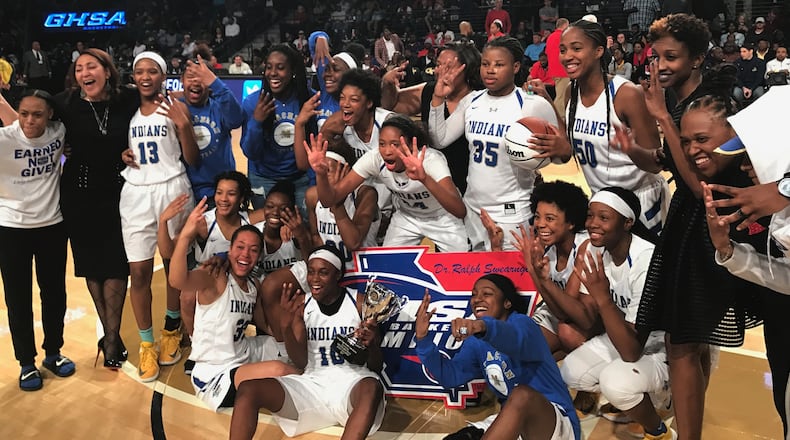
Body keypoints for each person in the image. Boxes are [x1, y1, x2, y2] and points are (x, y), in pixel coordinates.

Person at [638, 17, 780, 433]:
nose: (661, 65)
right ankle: (690, 424)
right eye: (656, 57)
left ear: (697, 58)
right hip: (691, 224)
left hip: (708, 227)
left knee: (681, 341)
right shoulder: (681, 101)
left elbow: (699, 184)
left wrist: (663, 119)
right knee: (689, 340)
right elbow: (668, 162)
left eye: (671, 56)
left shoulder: (711, 104)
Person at [228, 245, 386, 440]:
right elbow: (301, 362)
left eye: (323, 272)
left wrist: (373, 345)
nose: (314, 279)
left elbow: (376, 366)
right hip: (312, 384)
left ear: (337, 275)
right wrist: (286, 327)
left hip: (351, 384)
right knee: (248, 389)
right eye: (311, 272)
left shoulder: (360, 303)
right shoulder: (302, 305)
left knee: (372, 386)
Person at [559, 187, 675, 440]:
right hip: (628, 334)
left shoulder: (645, 260)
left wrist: (602, 298)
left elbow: (631, 352)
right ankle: (637, 393)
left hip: (665, 345)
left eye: (603, 217)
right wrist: (542, 279)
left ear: (627, 222)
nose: (592, 224)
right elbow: (586, 318)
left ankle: (659, 424)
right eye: (590, 216)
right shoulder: (595, 250)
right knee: (571, 371)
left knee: (615, 383)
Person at [427, 36, 563, 251]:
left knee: (511, 272)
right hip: (473, 209)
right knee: (473, 272)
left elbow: (561, 155)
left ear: (515, 67)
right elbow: (439, 139)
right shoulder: (472, 100)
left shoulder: (531, 104)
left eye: (499, 65)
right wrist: (437, 99)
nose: (490, 70)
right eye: (485, 64)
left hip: (511, 212)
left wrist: (559, 150)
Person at [54, 48, 141, 370]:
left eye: (91, 66)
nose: (84, 73)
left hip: (119, 195)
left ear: (107, 70)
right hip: (78, 195)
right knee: (92, 267)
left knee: (117, 265)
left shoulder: (128, 99)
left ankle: (111, 337)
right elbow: (30, 118)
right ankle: (111, 337)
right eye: (79, 69)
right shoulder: (65, 103)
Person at [169, 199, 299, 411]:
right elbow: (177, 281)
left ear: (259, 256)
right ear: (229, 251)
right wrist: (185, 236)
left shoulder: (253, 285)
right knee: (280, 370)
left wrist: (288, 324)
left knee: (291, 346)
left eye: (253, 250)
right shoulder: (215, 277)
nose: (245, 254)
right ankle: (317, 389)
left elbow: (265, 326)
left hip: (242, 352)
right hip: (214, 372)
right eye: (240, 247)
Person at [415, 274, 580, 440]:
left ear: (507, 302)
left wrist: (482, 326)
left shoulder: (524, 324)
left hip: (554, 421)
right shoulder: (476, 342)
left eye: (487, 294)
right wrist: (423, 340)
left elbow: (514, 339)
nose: (477, 299)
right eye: (474, 294)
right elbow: (450, 376)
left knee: (521, 395)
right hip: (514, 422)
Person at [121, 51, 199, 383]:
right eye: (139, 71)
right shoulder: (127, 109)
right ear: (133, 77)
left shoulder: (175, 107)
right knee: (138, 272)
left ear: (163, 76)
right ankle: (146, 344)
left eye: (152, 71)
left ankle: (171, 329)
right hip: (136, 192)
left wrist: (184, 126)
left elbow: (193, 159)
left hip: (173, 189)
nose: (145, 76)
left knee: (173, 267)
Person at [561, 19, 667, 234]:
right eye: (563, 50)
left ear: (598, 51)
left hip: (641, 201)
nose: (567, 56)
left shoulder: (626, 94)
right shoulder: (570, 93)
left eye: (576, 48)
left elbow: (655, 164)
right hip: (602, 201)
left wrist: (631, 149)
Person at [0, 89, 75, 391]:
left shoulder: (59, 132)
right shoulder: (5, 139)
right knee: (18, 298)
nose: (29, 121)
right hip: (11, 228)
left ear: (50, 115)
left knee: (55, 294)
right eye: (24, 114)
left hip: (52, 226)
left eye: (37, 114)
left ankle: (53, 353)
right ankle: (26, 363)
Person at [308, 115, 468, 251]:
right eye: (382, 144)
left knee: (462, 269)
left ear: (410, 144)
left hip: (442, 217)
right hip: (407, 217)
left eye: (395, 144)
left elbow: (459, 210)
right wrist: (321, 174)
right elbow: (329, 200)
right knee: (389, 268)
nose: (387, 151)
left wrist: (424, 178)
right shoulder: (375, 159)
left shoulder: (431, 160)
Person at [381, 43, 483, 194]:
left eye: (447, 67)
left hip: (472, 183)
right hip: (431, 182)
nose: (438, 71)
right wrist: (387, 83)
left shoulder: (482, 99)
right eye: (438, 65)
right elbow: (390, 105)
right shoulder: (428, 90)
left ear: (466, 69)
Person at [509, 181, 590, 360]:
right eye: (537, 217)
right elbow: (555, 308)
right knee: (521, 350)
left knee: (566, 333)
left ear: (571, 222)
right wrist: (532, 266)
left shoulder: (585, 247)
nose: (540, 224)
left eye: (550, 219)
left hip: (585, 322)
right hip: (559, 314)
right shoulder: (549, 249)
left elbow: (564, 313)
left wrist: (534, 271)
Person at [240, 44, 314, 211]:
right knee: (267, 224)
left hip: (299, 179)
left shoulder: (308, 100)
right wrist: (257, 121)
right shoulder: (253, 102)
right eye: (269, 67)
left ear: (292, 71)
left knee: (300, 224)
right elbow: (250, 153)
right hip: (263, 177)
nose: (272, 73)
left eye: (280, 68)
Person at [180, 55, 244, 203]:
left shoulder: (219, 107)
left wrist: (216, 84)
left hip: (219, 192)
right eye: (190, 77)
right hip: (185, 191)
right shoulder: (175, 108)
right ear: (181, 80)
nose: (195, 81)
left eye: (201, 77)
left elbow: (236, 120)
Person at [545, 18, 570, 117]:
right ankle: (559, 118)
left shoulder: (550, 37)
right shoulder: (564, 36)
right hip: (562, 70)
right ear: (565, 25)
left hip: (554, 70)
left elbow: (547, 52)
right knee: (561, 96)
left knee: (560, 94)